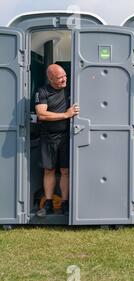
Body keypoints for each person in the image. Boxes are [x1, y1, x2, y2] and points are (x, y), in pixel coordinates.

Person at [35, 64, 80, 217]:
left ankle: (65, 203)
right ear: (51, 79)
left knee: (65, 171)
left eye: (65, 76)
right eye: (60, 78)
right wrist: (66, 115)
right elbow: (41, 114)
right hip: (48, 137)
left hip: (66, 136)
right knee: (49, 170)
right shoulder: (43, 91)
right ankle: (48, 203)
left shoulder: (71, 89)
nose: (64, 80)